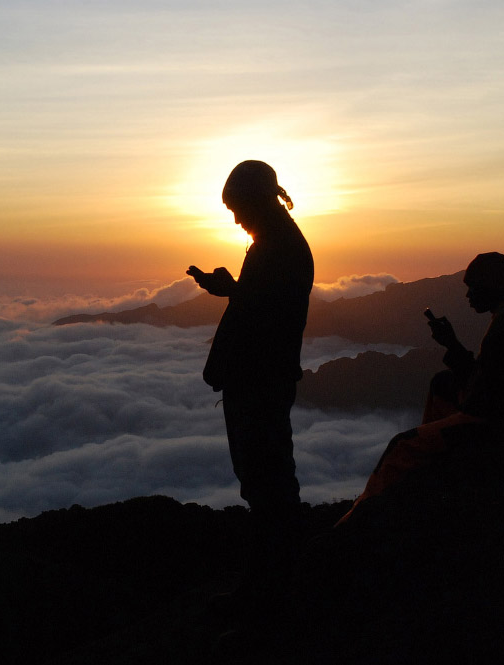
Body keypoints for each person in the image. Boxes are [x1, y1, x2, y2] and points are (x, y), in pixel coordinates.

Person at [336, 251, 504, 525]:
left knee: (401, 446)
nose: (468, 295)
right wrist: (452, 344)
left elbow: (482, 402)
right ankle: (435, 466)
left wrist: (454, 350)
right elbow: (490, 380)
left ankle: (359, 520)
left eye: (473, 287)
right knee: (443, 383)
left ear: (495, 284)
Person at [187, 160, 314, 609]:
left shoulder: (279, 247)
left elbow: (270, 315)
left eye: (238, 209)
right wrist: (231, 289)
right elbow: (267, 304)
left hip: (261, 383)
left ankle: (274, 597)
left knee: (268, 486)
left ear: (258, 200)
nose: (236, 219)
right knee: (264, 483)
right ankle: (270, 589)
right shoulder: (274, 244)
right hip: (259, 380)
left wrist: (232, 291)